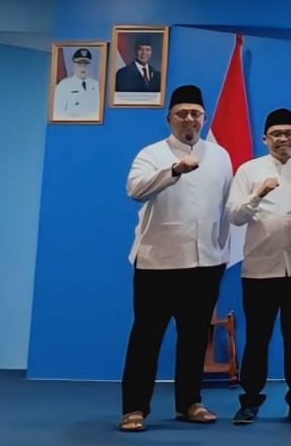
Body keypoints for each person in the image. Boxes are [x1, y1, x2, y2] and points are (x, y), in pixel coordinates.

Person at [118, 84, 231, 433]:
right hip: (158, 263)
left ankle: (189, 403)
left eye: (196, 114)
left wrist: (221, 252)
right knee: (146, 338)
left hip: (205, 263)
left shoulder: (220, 156)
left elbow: (226, 207)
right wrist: (174, 171)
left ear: (204, 118)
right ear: (169, 118)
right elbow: (135, 190)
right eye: (182, 113)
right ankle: (134, 408)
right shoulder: (151, 154)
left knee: (195, 337)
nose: (189, 119)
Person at [228, 108, 291, 425]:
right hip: (259, 270)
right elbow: (235, 216)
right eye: (277, 134)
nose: (284, 139)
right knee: (257, 340)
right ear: (265, 138)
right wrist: (258, 193)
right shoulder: (248, 171)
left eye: (289, 134)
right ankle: (249, 402)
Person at [53, 47, 100, 120]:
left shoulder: (96, 84)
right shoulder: (63, 85)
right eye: (79, 64)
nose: (83, 67)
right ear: (73, 64)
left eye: (86, 64)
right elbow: (57, 114)